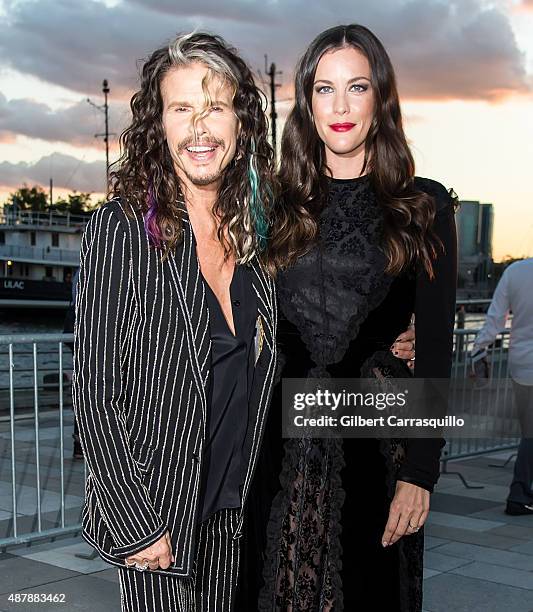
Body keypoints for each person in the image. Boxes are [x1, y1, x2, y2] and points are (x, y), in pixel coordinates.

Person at [237, 24, 457, 612]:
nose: (340, 106)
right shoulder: (271, 205)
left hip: (377, 446)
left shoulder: (423, 206)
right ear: (305, 103)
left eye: (356, 87)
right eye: (324, 89)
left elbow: (436, 347)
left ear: (380, 99)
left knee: (368, 590)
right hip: (278, 444)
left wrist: (421, 472)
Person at [72, 32, 278, 612]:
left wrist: (394, 337)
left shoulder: (259, 241)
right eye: (182, 108)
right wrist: (134, 520)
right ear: (158, 127)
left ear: (241, 123)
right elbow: (94, 392)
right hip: (160, 517)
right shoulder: (124, 230)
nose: (200, 128)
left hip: (240, 517)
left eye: (215, 107)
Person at [471, 258, 533, 516]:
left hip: (522, 363)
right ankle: (518, 494)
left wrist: (477, 350)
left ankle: (520, 493)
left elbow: (495, 320)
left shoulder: (515, 271)